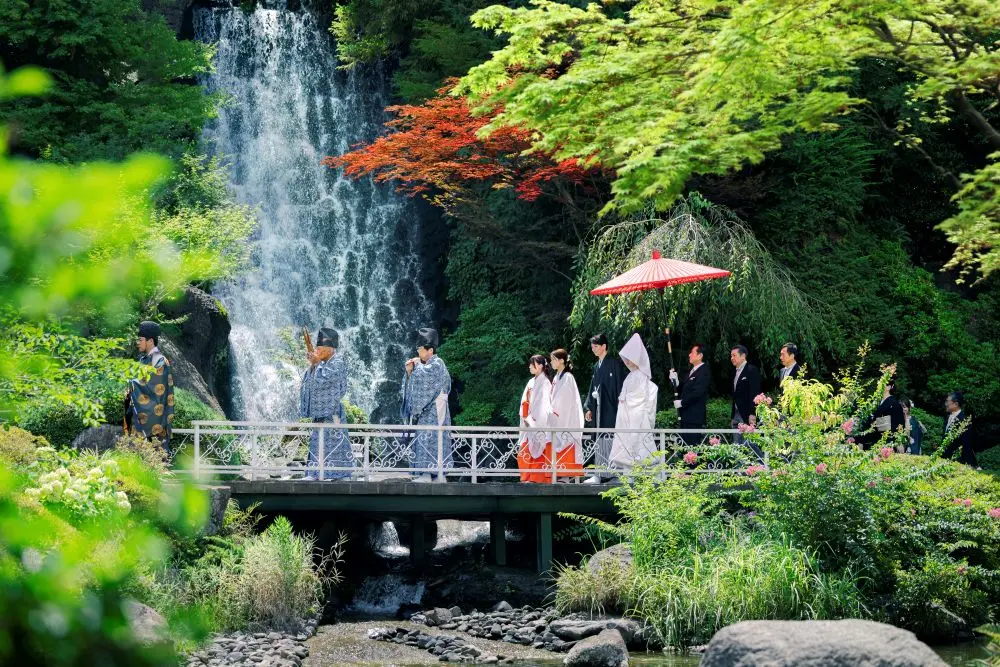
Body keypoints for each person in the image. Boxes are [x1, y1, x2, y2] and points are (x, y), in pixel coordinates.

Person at [299, 327, 353, 480]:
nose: (317, 351)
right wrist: (314, 365)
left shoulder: (338, 362)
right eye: (316, 348)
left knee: (336, 442)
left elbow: (326, 379)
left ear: (330, 349)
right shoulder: (322, 362)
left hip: (332, 411)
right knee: (318, 443)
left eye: (320, 349)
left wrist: (317, 364)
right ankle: (315, 473)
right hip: (319, 412)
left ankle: (342, 474)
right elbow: (310, 382)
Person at [402, 327, 453, 482]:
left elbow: (426, 380)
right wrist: (410, 372)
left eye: (420, 349)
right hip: (429, 409)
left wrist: (416, 368)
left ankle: (430, 474)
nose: (418, 353)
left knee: (429, 438)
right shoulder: (428, 364)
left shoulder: (437, 363)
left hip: (436, 410)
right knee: (426, 438)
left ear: (430, 350)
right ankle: (431, 474)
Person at [609, 334, 659, 473]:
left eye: (631, 359)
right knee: (626, 442)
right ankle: (628, 471)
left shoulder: (641, 376)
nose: (628, 362)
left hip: (637, 415)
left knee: (638, 441)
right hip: (626, 414)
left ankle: (643, 471)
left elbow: (639, 397)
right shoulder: (631, 375)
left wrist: (626, 399)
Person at [126, 321, 175, 454]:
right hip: (143, 415)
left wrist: (130, 383)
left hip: (157, 418)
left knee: (157, 458)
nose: (138, 342)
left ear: (150, 341)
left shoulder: (160, 360)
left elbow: (153, 384)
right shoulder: (144, 359)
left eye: (140, 339)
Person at [583, 333, 627, 483]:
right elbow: (592, 389)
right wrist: (589, 408)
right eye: (592, 346)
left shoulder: (614, 364)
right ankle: (600, 474)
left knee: (610, 438)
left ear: (604, 346)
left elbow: (620, 387)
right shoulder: (596, 366)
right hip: (598, 408)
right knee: (600, 439)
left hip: (611, 408)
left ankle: (614, 474)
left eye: (596, 346)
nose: (593, 349)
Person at [549, 349, 585, 480]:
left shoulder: (568, 377)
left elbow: (563, 399)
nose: (551, 362)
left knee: (567, 440)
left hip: (567, 417)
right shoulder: (556, 377)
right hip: (558, 417)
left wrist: (552, 409)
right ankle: (559, 474)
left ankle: (566, 475)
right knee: (556, 441)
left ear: (561, 360)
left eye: (553, 359)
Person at [517, 355, 554, 483]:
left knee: (538, 450)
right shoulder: (532, 381)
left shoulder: (545, 382)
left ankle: (537, 479)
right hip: (528, 420)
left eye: (532, 364)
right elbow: (525, 401)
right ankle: (526, 477)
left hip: (537, 421)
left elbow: (542, 405)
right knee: (525, 452)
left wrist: (532, 420)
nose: (529, 366)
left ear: (540, 365)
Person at [670, 344, 710, 446]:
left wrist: (682, 402)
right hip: (685, 416)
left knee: (692, 448)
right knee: (685, 448)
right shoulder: (690, 372)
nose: (689, 355)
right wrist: (676, 381)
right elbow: (683, 390)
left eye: (692, 353)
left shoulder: (704, 371)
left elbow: (697, 393)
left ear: (700, 355)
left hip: (694, 417)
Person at [730, 344, 761, 449]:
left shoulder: (752, 370)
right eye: (731, 356)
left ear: (743, 356)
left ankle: (760, 465)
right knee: (736, 446)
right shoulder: (734, 373)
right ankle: (739, 466)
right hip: (736, 415)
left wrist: (753, 413)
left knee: (750, 445)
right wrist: (732, 415)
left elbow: (755, 393)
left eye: (734, 355)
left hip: (747, 414)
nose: (732, 358)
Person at [942, 391, 977, 467]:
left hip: (957, 463)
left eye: (947, 401)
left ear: (956, 404)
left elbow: (967, 446)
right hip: (944, 461)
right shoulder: (947, 417)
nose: (946, 404)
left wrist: (966, 465)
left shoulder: (964, 421)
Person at [869, 378, 905, 450]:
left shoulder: (894, 403)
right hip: (875, 440)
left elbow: (898, 424)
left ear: (888, 387)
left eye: (881, 385)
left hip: (888, 442)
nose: (878, 387)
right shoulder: (878, 402)